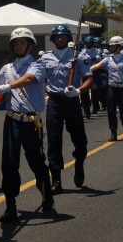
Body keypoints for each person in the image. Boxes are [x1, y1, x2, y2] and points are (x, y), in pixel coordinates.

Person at [0, 27, 54, 223]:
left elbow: (28, 79)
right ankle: (10, 205)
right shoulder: (6, 68)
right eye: (16, 43)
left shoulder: (38, 65)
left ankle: (46, 196)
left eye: (23, 42)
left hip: (31, 122)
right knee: (9, 164)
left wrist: (7, 86)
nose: (19, 46)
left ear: (30, 45)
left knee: (36, 163)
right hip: (12, 121)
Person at [39, 24, 93, 195]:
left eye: (63, 36)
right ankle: (56, 178)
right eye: (56, 36)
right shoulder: (46, 58)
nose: (60, 39)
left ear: (69, 38)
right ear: (53, 39)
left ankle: (79, 163)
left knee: (79, 138)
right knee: (53, 139)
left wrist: (78, 90)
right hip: (54, 101)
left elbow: (89, 78)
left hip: (72, 101)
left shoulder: (78, 56)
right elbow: (38, 78)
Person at [91, 36, 123, 141]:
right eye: (110, 45)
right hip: (112, 87)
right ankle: (113, 132)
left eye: (113, 46)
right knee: (111, 110)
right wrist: (84, 72)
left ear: (119, 46)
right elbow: (96, 66)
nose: (110, 47)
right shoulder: (108, 59)